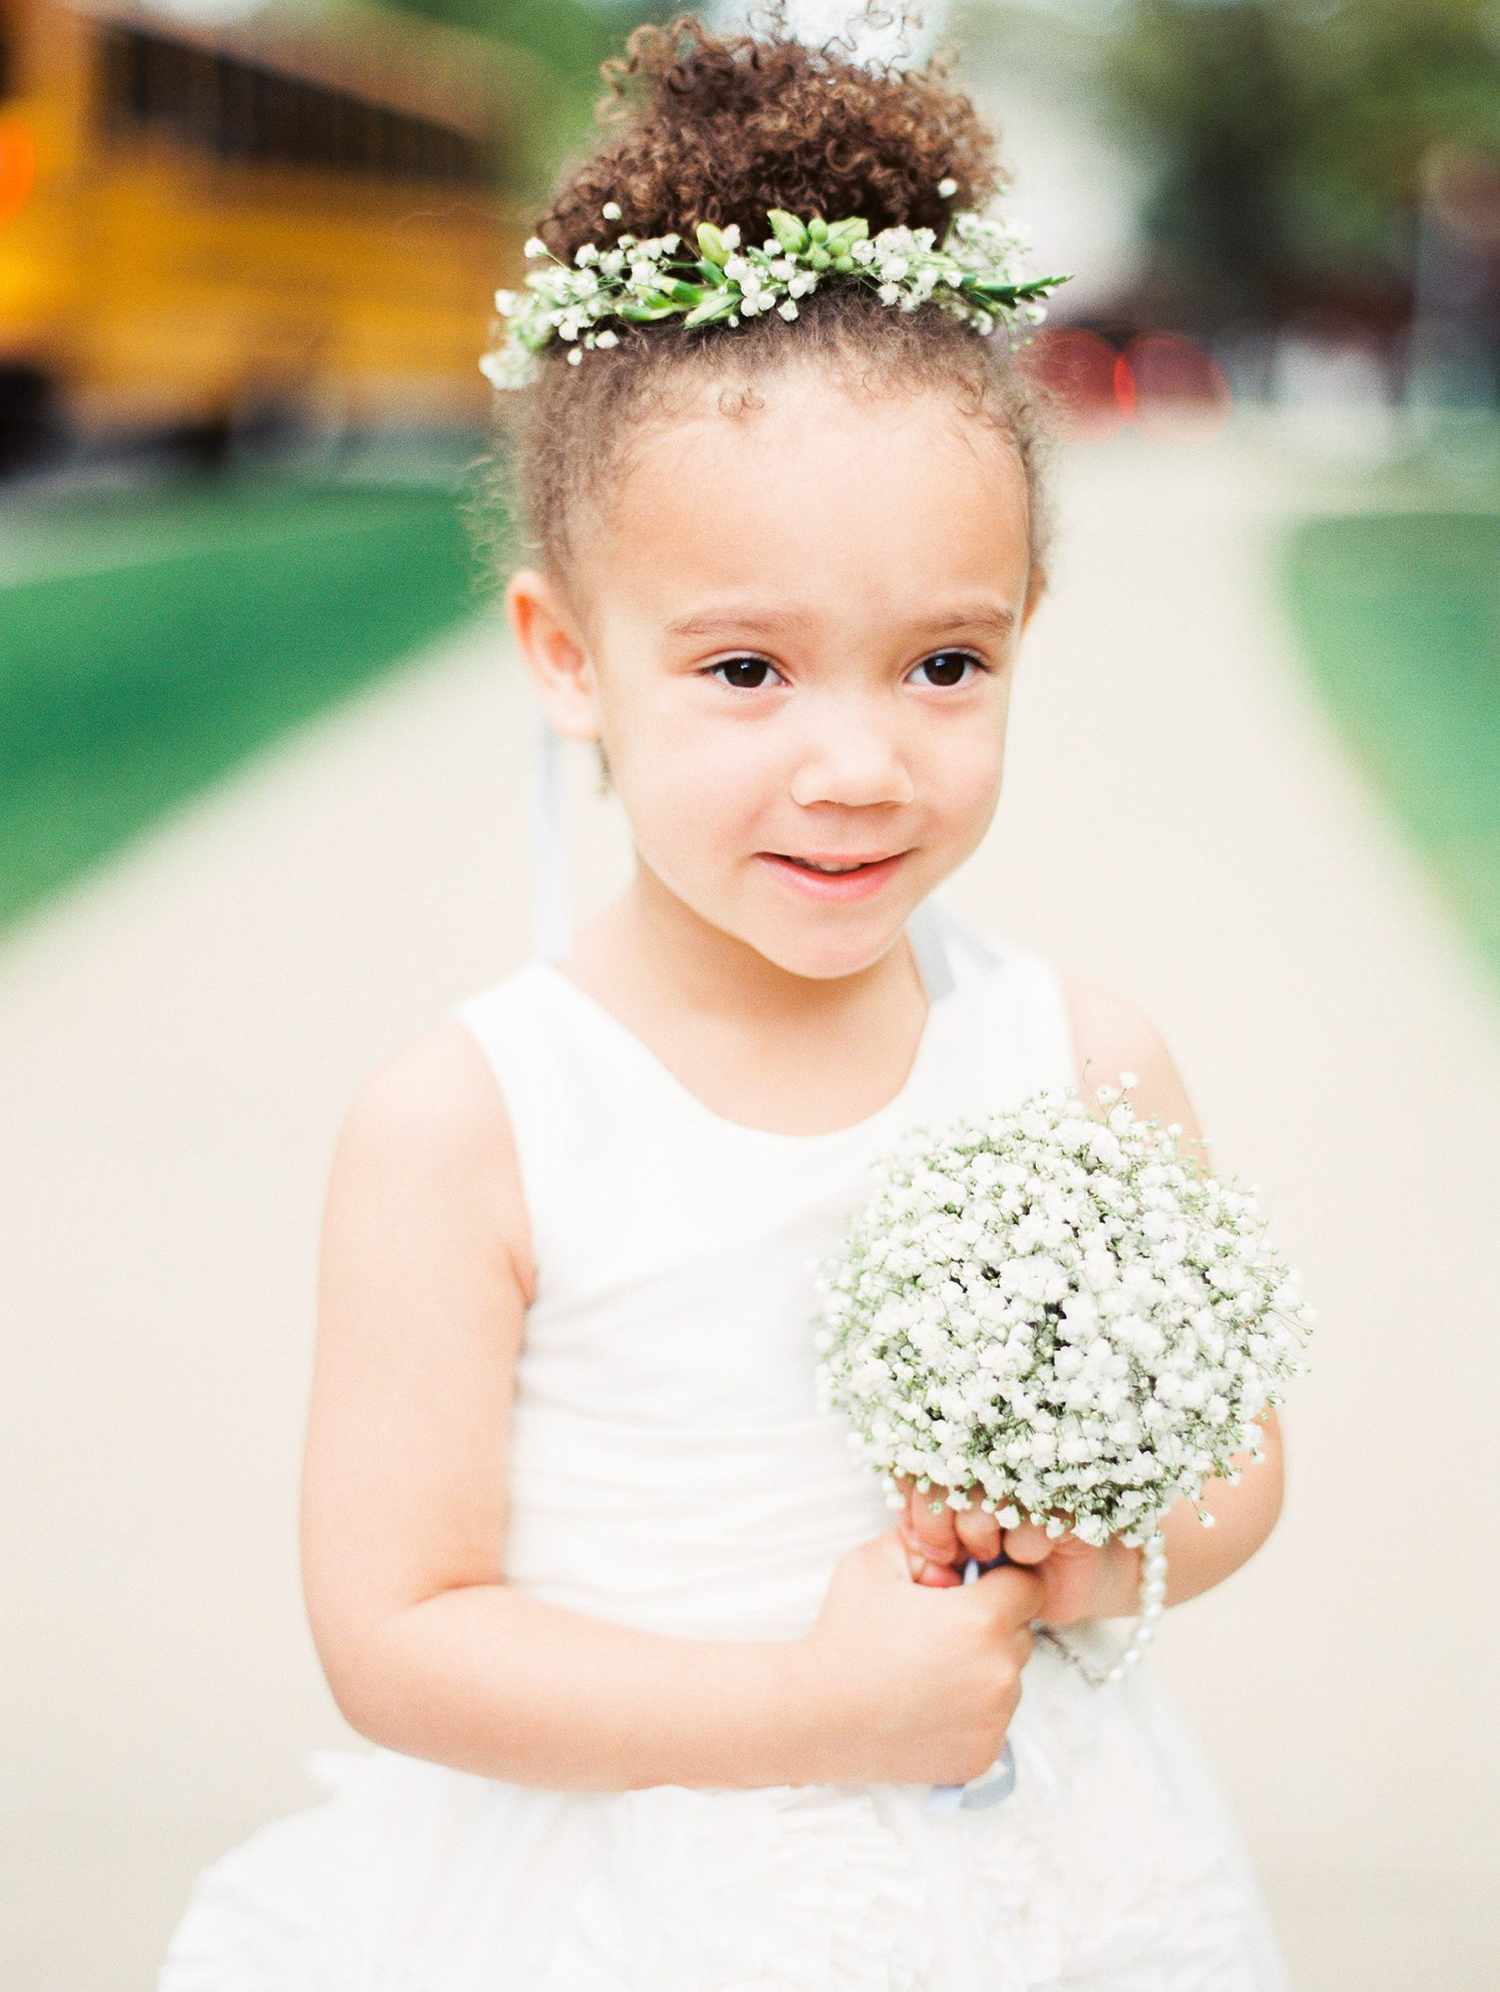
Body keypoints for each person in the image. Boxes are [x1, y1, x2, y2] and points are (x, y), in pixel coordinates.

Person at [157, 6, 1294, 1987]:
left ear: (1025, 634)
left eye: (942, 666)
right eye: (747, 672)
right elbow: (400, 1631)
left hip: (1047, 1882)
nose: (856, 764)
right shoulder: (478, 1124)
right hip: (640, 1902)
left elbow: (1236, 1470)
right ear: (567, 654)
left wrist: (1079, 1555)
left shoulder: (1080, 1058)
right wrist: (819, 1715)